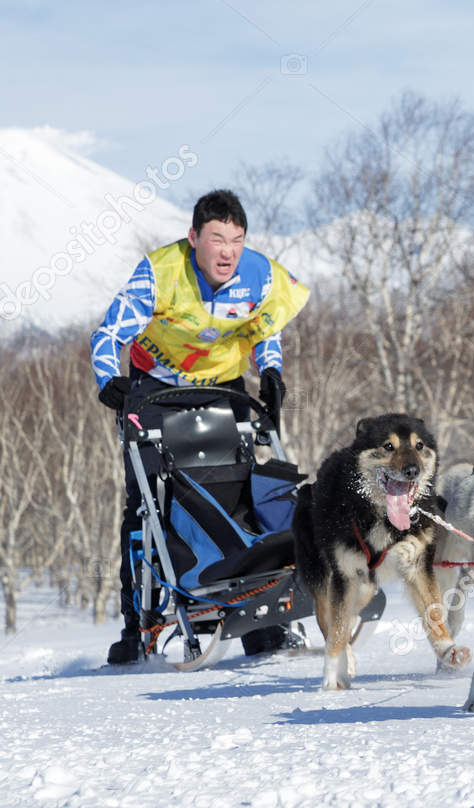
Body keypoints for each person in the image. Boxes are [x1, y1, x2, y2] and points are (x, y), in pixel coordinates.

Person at [91, 190, 310, 664]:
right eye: (217, 239)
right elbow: (109, 334)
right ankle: (138, 627)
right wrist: (110, 381)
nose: (228, 250)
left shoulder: (259, 274)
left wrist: (270, 371)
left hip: (223, 387)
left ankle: (260, 618)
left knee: (240, 494)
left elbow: (264, 331)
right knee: (149, 501)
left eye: (236, 239)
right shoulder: (160, 271)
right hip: (155, 389)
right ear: (194, 239)